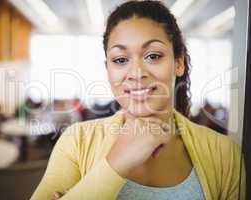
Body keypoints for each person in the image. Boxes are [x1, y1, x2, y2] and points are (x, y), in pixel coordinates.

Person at [30, 1, 245, 199]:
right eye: (121, 60)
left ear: (179, 63)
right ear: (108, 69)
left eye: (153, 56)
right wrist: (116, 164)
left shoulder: (224, 154)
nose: (136, 73)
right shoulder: (76, 141)